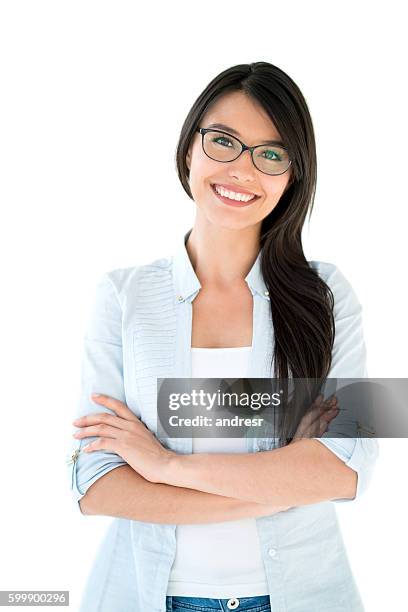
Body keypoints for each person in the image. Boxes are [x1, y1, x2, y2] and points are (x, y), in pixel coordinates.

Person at [68, 61, 379, 612]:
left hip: (304, 595)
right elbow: (94, 485)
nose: (242, 169)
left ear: (293, 176)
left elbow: (344, 469)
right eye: (223, 141)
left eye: (272, 154)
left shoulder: (328, 295)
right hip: (146, 596)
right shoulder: (121, 296)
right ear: (189, 148)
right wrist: (280, 484)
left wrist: (165, 466)